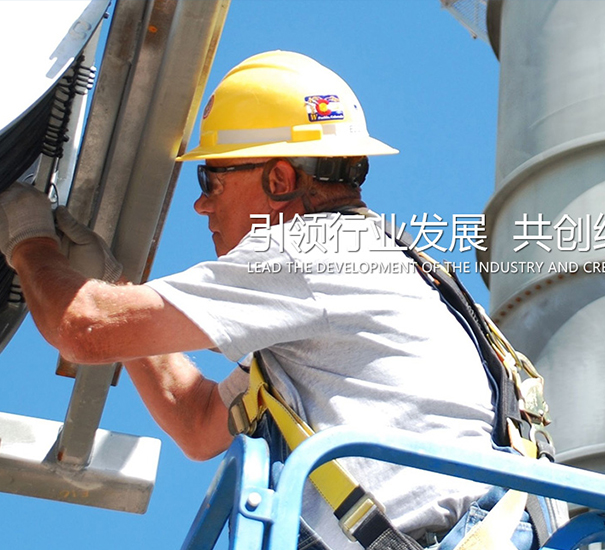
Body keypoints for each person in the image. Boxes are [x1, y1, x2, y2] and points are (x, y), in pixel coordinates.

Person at [0, 51, 532, 549]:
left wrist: (28, 240)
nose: (201, 204)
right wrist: (114, 283)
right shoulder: (362, 282)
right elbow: (198, 421)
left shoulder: (310, 250)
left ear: (279, 178)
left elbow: (83, 328)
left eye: (211, 179)